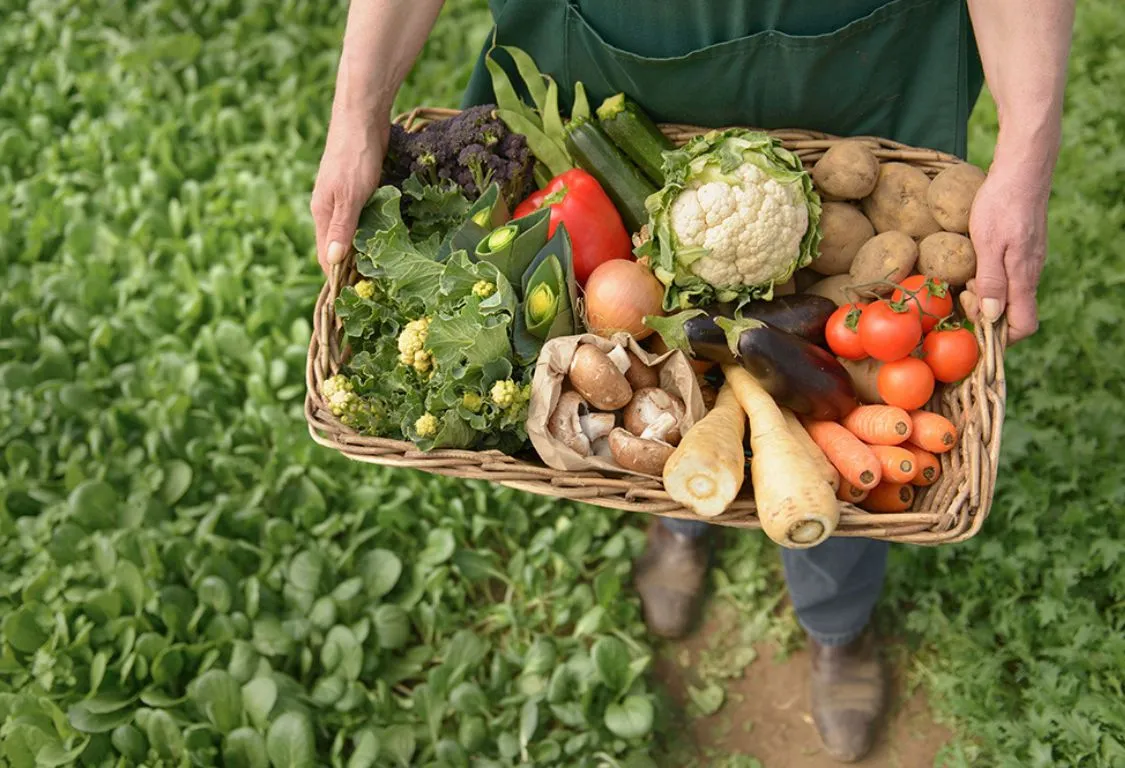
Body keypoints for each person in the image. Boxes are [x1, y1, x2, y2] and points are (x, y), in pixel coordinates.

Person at [311, 1, 1075, 761]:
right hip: (607, 48)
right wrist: (356, 111)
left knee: (840, 414)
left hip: (853, 63)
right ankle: (681, 509)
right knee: (671, 387)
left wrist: (1028, 153)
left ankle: (834, 618)